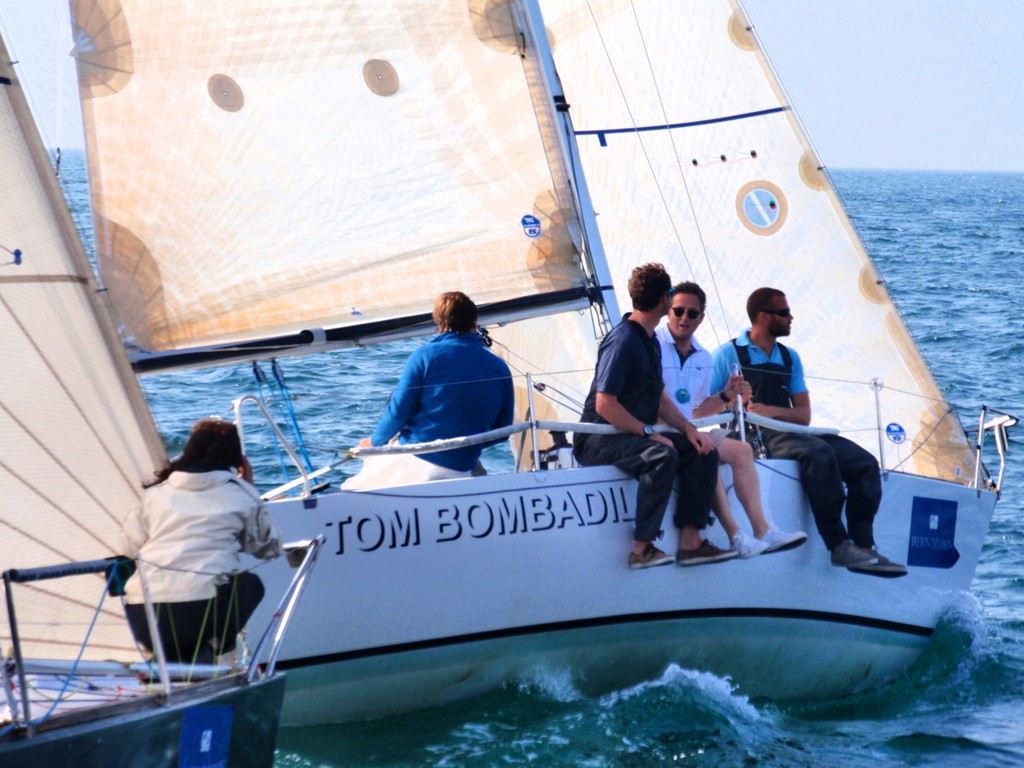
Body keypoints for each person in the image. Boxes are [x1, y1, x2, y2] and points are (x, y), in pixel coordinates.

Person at [709, 288, 907, 576]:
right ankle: (838, 545)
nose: (791, 317)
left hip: (789, 430)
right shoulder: (727, 354)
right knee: (820, 453)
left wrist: (771, 410)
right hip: (754, 436)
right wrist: (741, 407)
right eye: (784, 312)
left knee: (865, 463)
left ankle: (864, 547)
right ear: (763, 317)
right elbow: (707, 408)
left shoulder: (790, 358)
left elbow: (803, 415)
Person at [573, 263, 732, 569]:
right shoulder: (623, 340)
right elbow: (605, 404)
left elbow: (659, 398)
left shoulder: (650, 342)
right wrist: (649, 433)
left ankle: (690, 541)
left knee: (703, 451)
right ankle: (642, 548)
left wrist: (689, 430)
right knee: (661, 455)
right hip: (598, 439)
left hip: (627, 435)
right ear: (664, 298)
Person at [656, 281, 807, 558]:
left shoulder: (703, 356)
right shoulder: (653, 346)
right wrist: (690, 429)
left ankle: (763, 530)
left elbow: (698, 413)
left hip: (688, 431)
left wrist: (726, 396)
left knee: (741, 450)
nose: (684, 318)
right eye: (678, 311)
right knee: (706, 450)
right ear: (667, 311)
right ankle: (736, 536)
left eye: (692, 313)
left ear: (702, 317)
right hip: (660, 432)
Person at [119, 419, 284, 664]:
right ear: (238, 459)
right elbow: (268, 549)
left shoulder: (156, 493)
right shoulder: (240, 493)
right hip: (202, 612)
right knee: (250, 585)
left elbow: (127, 548)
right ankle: (219, 650)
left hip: (143, 614)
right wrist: (250, 489)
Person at [343, 291, 514, 489]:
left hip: (418, 461)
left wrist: (373, 443)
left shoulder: (425, 356)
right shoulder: (500, 367)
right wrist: (463, 446)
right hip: (463, 467)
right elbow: (502, 431)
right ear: (474, 321)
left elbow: (398, 412)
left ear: (438, 321)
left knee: (353, 487)